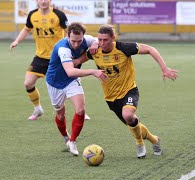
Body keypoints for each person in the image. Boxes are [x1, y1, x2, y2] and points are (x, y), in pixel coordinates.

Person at [74, 24, 179, 158]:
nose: (101, 43)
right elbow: (76, 61)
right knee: (132, 122)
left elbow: (150, 49)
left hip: (129, 90)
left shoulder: (123, 48)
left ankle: (139, 143)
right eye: (99, 39)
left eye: (105, 40)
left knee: (128, 115)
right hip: (110, 97)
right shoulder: (94, 51)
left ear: (113, 38)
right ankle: (154, 140)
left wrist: (164, 68)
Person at [9, 0, 91, 121]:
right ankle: (37, 109)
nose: (43, 1)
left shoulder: (59, 15)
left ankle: (81, 111)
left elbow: (69, 32)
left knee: (69, 82)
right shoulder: (32, 15)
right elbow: (27, 29)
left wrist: (68, 49)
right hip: (40, 57)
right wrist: (17, 40)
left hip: (58, 57)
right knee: (28, 83)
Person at [45, 22, 108, 156]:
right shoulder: (63, 48)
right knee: (60, 114)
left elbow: (98, 41)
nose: (76, 44)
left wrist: (96, 43)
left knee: (80, 109)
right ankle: (66, 137)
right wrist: (92, 71)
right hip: (54, 83)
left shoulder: (87, 40)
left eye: (79, 41)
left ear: (83, 36)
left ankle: (73, 141)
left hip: (72, 82)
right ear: (67, 36)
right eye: (73, 41)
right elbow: (70, 71)